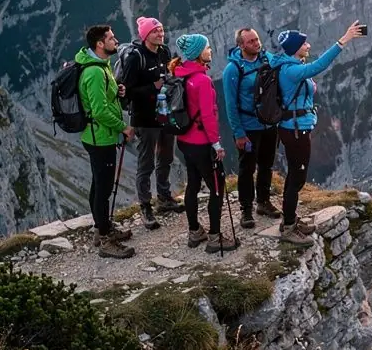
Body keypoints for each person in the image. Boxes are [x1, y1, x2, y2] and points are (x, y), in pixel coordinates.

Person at [268, 21, 364, 247]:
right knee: (297, 176)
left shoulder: (289, 64)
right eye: (304, 43)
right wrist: (344, 40)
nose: (308, 45)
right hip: (295, 129)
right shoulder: (291, 70)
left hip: (296, 126)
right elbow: (319, 66)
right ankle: (289, 226)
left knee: (295, 174)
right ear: (295, 48)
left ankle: (290, 220)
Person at [169, 33, 239, 254]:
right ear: (198, 53)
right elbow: (208, 116)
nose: (211, 50)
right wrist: (217, 145)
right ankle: (215, 238)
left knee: (193, 184)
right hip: (201, 142)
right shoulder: (202, 80)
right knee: (217, 188)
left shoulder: (180, 75)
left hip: (184, 140)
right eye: (207, 47)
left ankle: (194, 231)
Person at [118, 15, 184, 229]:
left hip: (165, 113)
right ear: (145, 35)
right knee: (145, 163)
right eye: (155, 31)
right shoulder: (136, 57)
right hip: (144, 118)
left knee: (166, 157)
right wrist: (153, 87)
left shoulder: (164, 52)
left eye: (162, 29)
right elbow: (126, 91)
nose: (160, 33)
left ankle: (164, 197)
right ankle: (145, 206)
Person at [76, 24, 136, 259]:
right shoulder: (94, 72)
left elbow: (101, 99)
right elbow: (99, 110)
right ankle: (105, 239)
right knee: (103, 189)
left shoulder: (101, 65)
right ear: (100, 44)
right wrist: (124, 127)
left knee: (99, 184)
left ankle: (103, 229)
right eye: (111, 38)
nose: (115, 40)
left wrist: (116, 90)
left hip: (98, 135)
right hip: (100, 137)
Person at [222, 26, 282, 230]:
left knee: (267, 164)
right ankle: (246, 210)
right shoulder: (233, 69)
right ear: (240, 45)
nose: (256, 44)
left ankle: (263, 202)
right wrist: (238, 133)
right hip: (248, 127)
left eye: (257, 39)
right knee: (247, 168)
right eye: (251, 42)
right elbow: (230, 104)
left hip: (269, 123)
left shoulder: (267, 59)